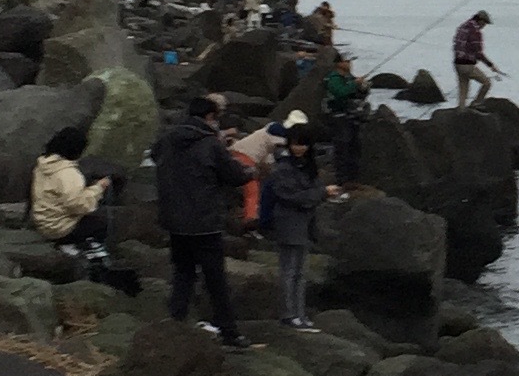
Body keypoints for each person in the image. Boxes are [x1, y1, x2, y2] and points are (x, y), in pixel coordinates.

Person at [151, 93, 250, 347]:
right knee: (215, 279)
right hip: (204, 221)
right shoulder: (210, 143)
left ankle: (175, 323)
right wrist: (251, 170)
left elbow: (155, 156)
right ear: (209, 117)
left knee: (183, 272)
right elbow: (235, 175)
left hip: (174, 220)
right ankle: (229, 332)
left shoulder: (167, 139)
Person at [30, 124, 137, 291]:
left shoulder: (43, 165)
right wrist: (99, 187)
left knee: (91, 213)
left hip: (43, 222)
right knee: (102, 221)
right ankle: (84, 248)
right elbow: (79, 206)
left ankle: (75, 244)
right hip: (60, 229)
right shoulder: (68, 173)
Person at [261, 121, 334, 329]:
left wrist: (322, 194)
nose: (299, 148)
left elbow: (311, 194)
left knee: (301, 273)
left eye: (303, 144)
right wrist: (321, 193)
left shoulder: (309, 167)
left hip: (305, 224)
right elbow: (291, 197)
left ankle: (299, 314)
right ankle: (288, 314)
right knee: (289, 271)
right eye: (295, 143)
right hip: (287, 223)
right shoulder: (283, 168)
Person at [318, 52, 367, 187]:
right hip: (338, 117)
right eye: (347, 61)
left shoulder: (350, 78)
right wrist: (354, 84)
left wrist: (363, 87)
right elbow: (340, 93)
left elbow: (358, 94)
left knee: (354, 147)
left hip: (351, 116)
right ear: (339, 63)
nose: (349, 63)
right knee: (342, 147)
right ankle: (342, 180)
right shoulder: (333, 78)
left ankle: (353, 178)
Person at [451, 8, 502, 108]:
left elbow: (456, 43)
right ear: (480, 20)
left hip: (457, 63)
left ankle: (461, 111)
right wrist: (490, 65)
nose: (484, 26)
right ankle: (476, 104)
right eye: (485, 23)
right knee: (486, 83)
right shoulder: (475, 32)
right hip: (467, 65)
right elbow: (479, 53)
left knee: (463, 90)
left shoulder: (462, 27)